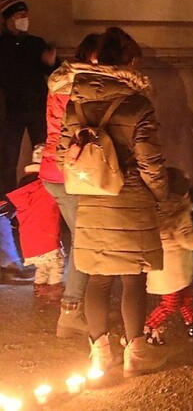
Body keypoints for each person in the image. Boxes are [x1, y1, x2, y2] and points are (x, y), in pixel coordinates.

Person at [57, 27, 168, 377]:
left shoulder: (76, 104)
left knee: (97, 279)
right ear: (129, 62)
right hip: (132, 197)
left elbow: (64, 155)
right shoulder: (138, 104)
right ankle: (136, 354)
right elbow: (150, 160)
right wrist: (162, 195)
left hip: (92, 197)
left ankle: (99, 355)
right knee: (133, 278)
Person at [42, 33, 100, 338]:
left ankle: (80, 307)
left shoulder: (62, 80)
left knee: (84, 240)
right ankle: (71, 311)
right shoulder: (79, 87)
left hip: (56, 171)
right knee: (85, 243)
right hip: (68, 174)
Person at [143, 168, 193, 345]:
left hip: (161, 266)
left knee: (184, 297)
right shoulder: (180, 214)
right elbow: (189, 241)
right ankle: (147, 328)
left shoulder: (154, 210)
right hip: (173, 269)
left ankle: (192, 323)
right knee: (170, 303)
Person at [0, 0, 58, 193]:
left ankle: (40, 195)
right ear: (8, 19)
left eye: (26, 14)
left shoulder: (36, 43)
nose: (24, 18)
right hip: (11, 110)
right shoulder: (2, 45)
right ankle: (6, 201)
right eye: (19, 14)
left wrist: (51, 63)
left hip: (37, 109)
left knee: (42, 156)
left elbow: (55, 74)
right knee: (8, 160)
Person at [6, 144, 64, 301]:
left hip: (29, 240)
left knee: (42, 267)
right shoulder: (46, 186)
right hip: (48, 236)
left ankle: (39, 290)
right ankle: (53, 293)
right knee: (55, 266)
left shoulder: (24, 187)